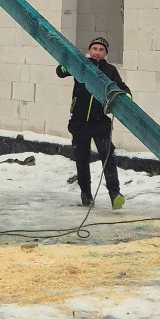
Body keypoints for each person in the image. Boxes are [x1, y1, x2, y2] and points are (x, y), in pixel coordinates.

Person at [56, 37, 129, 210]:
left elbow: (122, 87)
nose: (97, 52)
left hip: (100, 123)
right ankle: (86, 194)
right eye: (94, 48)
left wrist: (127, 98)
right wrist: (65, 67)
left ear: (106, 53)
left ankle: (115, 193)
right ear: (89, 50)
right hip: (79, 122)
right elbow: (61, 71)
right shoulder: (80, 64)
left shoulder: (110, 70)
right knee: (82, 159)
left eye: (101, 50)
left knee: (107, 156)